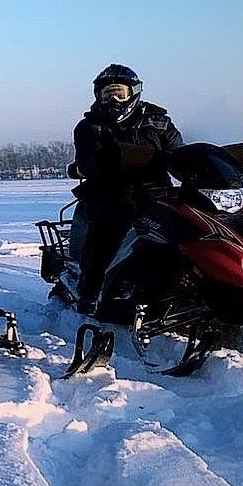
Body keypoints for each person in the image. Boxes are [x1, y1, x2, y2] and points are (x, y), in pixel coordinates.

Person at [72, 64, 182, 312]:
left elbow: (178, 154)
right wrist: (112, 157)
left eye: (119, 93)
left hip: (157, 192)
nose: (114, 100)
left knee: (186, 228)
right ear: (98, 96)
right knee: (108, 230)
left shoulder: (159, 122)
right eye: (107, 94)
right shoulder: (89, 127)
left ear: (133, 92)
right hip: (110, 192)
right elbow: (90, 163)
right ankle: (89, 290)